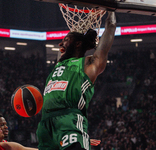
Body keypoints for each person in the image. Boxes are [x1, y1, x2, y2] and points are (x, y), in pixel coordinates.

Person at [36, 11, 116, 150]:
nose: (61, 43)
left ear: (78, 44)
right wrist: (91, 17)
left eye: (66, 40)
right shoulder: (59, 63)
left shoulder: (89, 64)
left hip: (69, 119)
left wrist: (111, 9)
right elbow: (75, 31)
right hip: (45, 123)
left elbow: (111, 26)